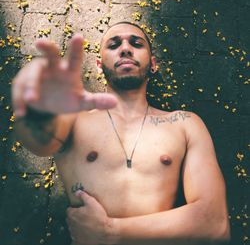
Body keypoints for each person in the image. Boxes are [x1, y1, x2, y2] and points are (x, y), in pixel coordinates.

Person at [12, 22, 231, 245]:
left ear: (153, 63)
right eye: (114, 44)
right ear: (99, 65)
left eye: (136, 43)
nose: (125, 48)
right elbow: (38, 139)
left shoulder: (185, 124)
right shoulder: (74, 119)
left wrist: (111, 232)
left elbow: (215, 223)